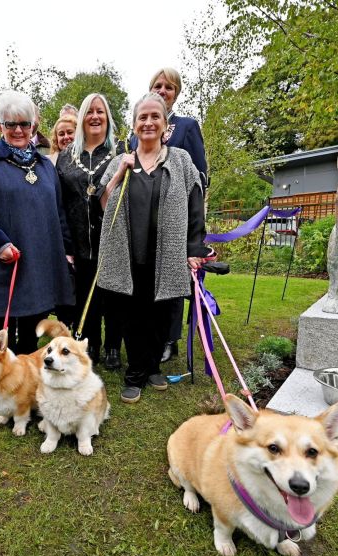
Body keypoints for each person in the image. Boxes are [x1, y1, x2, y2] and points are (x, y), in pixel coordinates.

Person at [96, 93, 207, 403]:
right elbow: (101, 204)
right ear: (133, 125)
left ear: (165, 126)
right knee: (131, 315)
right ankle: (135, 373)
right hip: (128, 254)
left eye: (154, 117)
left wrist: (194, 248)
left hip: (167, 253)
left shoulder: (181, 160)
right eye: (142, 117)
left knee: (161, 314)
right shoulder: (121, 161)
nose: (148, 122)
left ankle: (153, 366)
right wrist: (120, 172)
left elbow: (195, 205)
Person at [0, 91, 75, 353]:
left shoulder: (46, 166)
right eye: (10, 124)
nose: (18, 130)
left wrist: (67, 250)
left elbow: (58, 211)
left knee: (30, 332)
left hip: (37, 262)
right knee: (2, 337)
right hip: (3, 258)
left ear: (33, 126)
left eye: (24, 124)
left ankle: (25, 381)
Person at [129, 67, 210, 364]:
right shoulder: (136, 130)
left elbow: (199, 176)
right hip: (143, 222)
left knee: (173, 283)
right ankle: (145, 337)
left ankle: (169, 339)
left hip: (175, 220)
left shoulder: (187, 126)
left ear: (176, 93)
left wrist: (196, 232)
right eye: (158, 86)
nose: (163, 91)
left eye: (169, 87)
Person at [54, 93, 118, 365]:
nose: (94, 116)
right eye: (89, 112)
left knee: (113, 296)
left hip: (112, 240)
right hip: (78, 240)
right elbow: (59, 203)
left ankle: (114, 346)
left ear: (107, 118)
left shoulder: (120, 153)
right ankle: (90, 344)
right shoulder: (66, 158)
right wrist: (66, 245)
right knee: (85, 297)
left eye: (100, 111)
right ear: (81, 119)